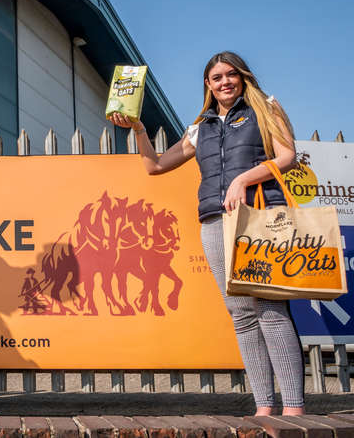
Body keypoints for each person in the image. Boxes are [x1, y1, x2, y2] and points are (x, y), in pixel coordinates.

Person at [110, 51, 304, 415]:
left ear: (243, 77)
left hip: (259, 218)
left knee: (271, 310)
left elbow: (287, 156)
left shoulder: (265, 108)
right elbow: (155, 166)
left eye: (231, 75)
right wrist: (137, 128)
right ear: (208, 84)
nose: (225, 82)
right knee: (242, 313)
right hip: (215, 222)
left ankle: (294, 409)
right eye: (217, 77)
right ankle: (264, 407)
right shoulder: (200, 127)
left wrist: (243, 179)